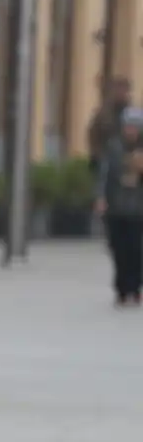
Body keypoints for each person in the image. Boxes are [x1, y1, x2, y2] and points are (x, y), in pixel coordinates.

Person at [96, 106, 143, 306]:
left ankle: (134, 288)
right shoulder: (113, 147)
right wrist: (100, 198)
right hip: (116, 207)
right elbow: (104, 174)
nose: (131, 130)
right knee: (118, 249)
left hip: (139, 209)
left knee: (136, 250)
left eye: (135, 127)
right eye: (128, 126)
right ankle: (121, 289)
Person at [88, 75, 133, 159]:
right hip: (106, 157)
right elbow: (93, 134)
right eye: (119, 89)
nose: (122, 93)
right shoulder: (104, 113)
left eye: (124, 90)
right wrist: (97, 155)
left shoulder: (131, 113)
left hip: (125, 159)